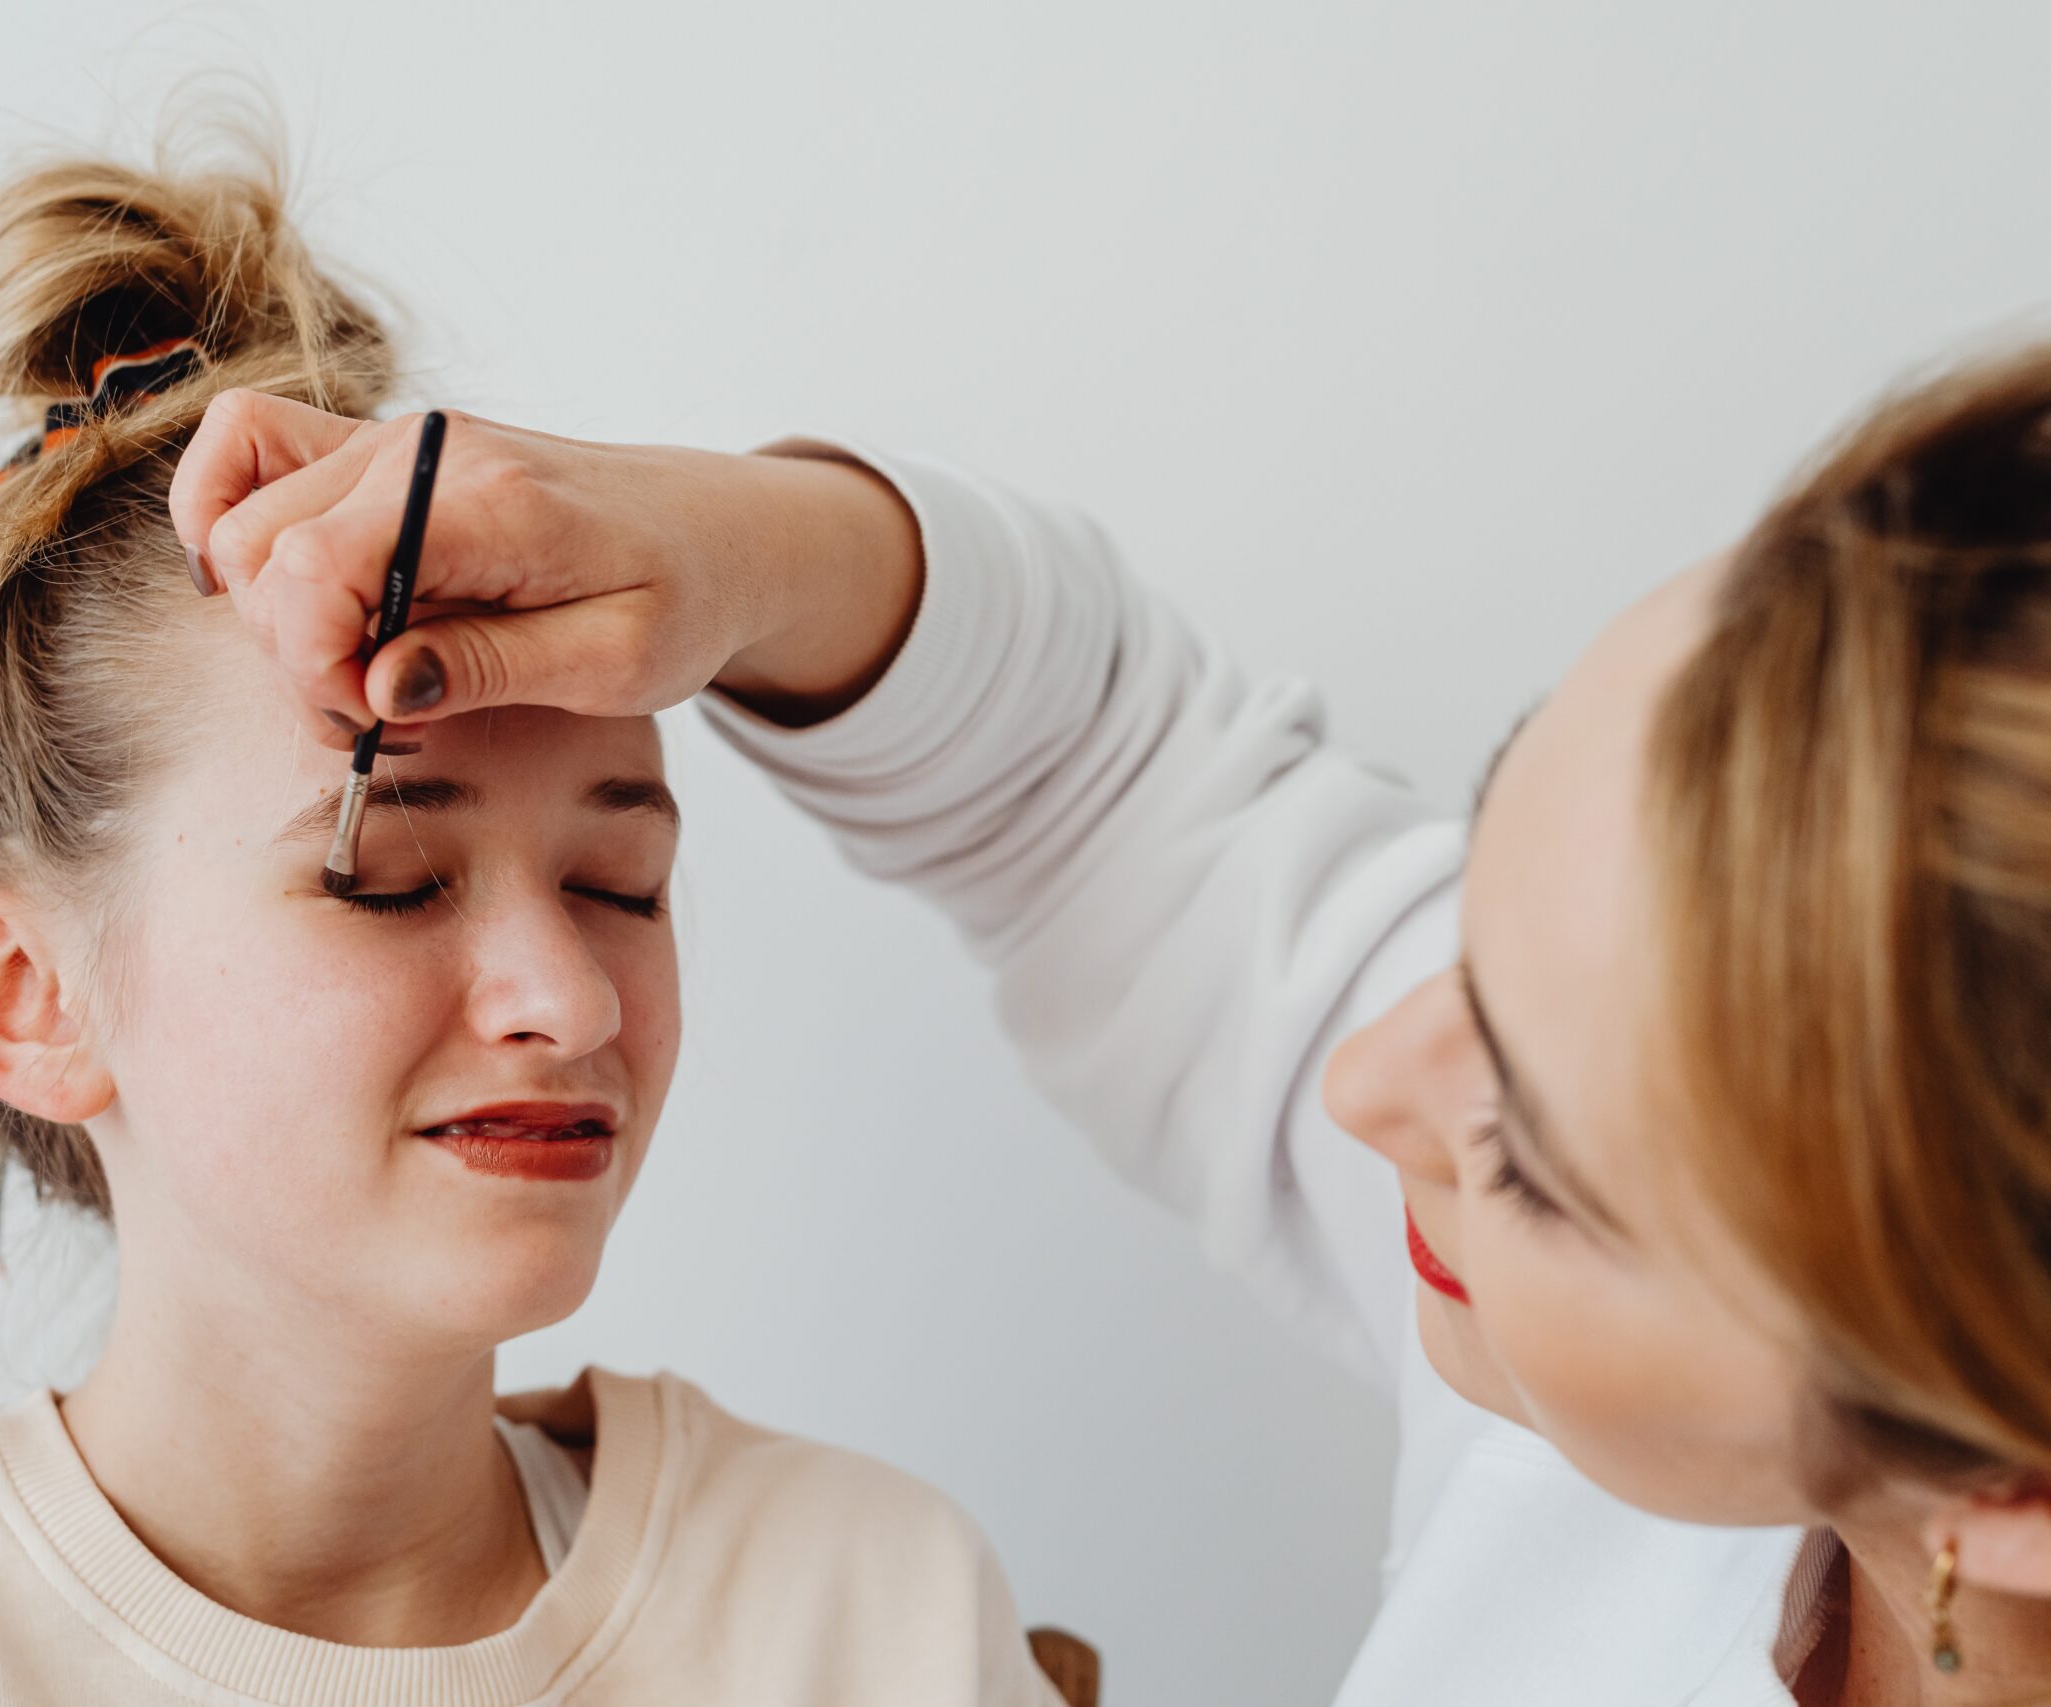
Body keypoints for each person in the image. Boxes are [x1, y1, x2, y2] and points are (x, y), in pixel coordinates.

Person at [171, 342, 2051, 1702]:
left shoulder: (867, 1609)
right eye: (1475, 910)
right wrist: (730, 547)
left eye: (1533, 1160)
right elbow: (1112, 778)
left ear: (1999, 1487)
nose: (1370, 1071)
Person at [0, 146, 1074, 1707]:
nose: (569, 1001)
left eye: (620, 886)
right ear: (22, 992)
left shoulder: (875, 1609)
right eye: (380, 878)